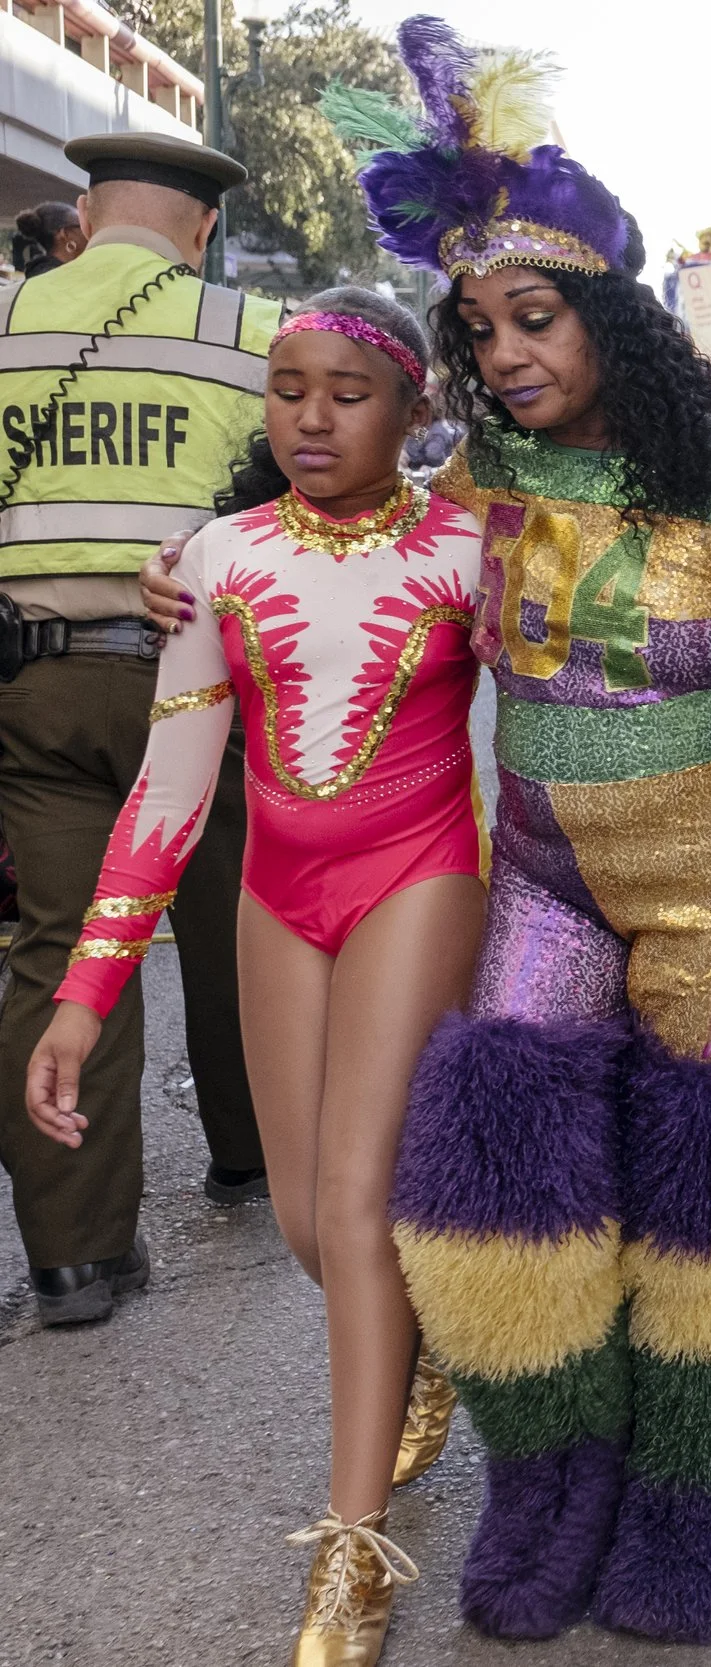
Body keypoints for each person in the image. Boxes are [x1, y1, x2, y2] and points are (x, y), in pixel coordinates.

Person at [331, 24, 711, 1644]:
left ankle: (699, 1522)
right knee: (489, 1207)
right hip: (545, 889)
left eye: (535, 318)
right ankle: (552, 1487)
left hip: (710, 915)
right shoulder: (486, 473)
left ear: (608, 312)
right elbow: (351, 536)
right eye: (479, 328)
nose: (507, 353)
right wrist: (202, 568)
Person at [80, 290, 483, 1661]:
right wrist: (85, 995)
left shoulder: (475, 549)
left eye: (348, 391)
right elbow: (170, 784)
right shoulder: (217, 555)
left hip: (422, 875)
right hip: (276, 892)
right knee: (317, 1229)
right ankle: (422, 1354)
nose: (312, 416)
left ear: (414, 406)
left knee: (359, 1202)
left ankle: (350, 1553)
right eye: (287, 387)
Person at [0, 132, 275, 1328]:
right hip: (194, 685)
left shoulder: (9, 317)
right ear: (201, 227)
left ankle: (74, 1258)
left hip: (38, 683)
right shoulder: (249, 334)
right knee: (228, 915)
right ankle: (245, 1154)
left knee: (61, 946)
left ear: (87, 213)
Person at [10, 200, 83, 276]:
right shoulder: (62, 279)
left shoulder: (41, 275)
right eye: (81, 225)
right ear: (66, 234)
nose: (88, 230)